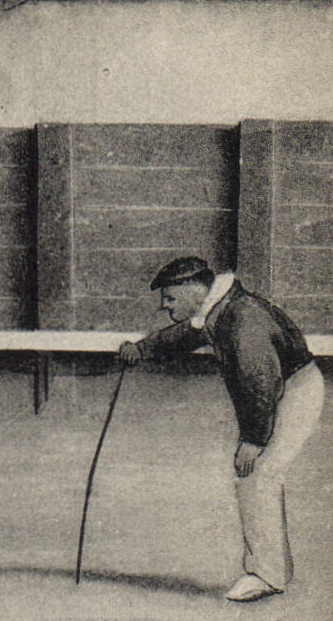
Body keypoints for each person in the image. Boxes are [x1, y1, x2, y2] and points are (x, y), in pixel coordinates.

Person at [117, 257, 324, 602]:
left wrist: (254, 440)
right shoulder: (221, 308)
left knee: (256, 473)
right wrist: (142, 349)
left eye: (170, 298)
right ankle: (276, 569)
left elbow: (261, 382)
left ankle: (266, 575)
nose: (164, 306)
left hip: (291, 392)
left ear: (193, 289)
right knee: (258, 476)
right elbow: (186, 335)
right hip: (284, 389)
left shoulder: (242, 318)